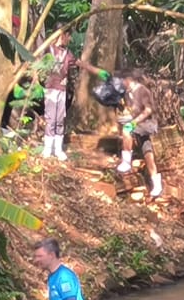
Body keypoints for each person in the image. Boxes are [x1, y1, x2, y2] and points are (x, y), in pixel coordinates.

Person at [75, 60, 163, 197]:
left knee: (127, 130)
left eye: (123, 80)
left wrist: (133, 122)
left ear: (129, 79)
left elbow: (148, 110)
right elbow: (102, 74)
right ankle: (156, 181)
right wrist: (84, 65)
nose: (121, 83)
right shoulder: (124, 90)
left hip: (146, 123)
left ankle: (126, 162)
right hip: (137, 122)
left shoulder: (142, 90)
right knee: (147, 150)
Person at [42, 29, 76, 161]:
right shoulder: (48, 50)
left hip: (62, 90)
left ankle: (58, 149)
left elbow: (76, 64)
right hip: (50, 89)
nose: (70, 39)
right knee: (50, 118)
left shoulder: (67, 53)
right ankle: (47, 148)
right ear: (62, 35)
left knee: (60, 119)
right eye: (68, 36)